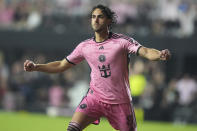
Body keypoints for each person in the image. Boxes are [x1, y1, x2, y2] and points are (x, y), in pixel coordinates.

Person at [24, 4, 171, 131]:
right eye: (93, 16)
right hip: (94, 98)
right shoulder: (85, 46)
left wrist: (159, 54)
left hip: (120, 102)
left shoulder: (121, 41)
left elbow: (145, 51)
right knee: (72, 128)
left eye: (100, 16)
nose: (95, 19)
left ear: (108, 21)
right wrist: (36, 67)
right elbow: (61, 65)